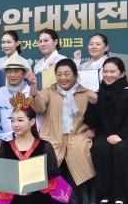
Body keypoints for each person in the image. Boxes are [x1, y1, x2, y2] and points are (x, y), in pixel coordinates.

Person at [0, 101, 75, 204]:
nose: (15, 124)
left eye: (20, 120)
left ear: (32, 121)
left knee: (57, 190)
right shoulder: (5, 146)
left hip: (37, 191)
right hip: (13, 192)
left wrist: (33, 186)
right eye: (12, 121)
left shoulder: (44, 145)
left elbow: (53, 174)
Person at [84, 57, 128, 204]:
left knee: (121, 150)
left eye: (112, 71)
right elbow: (92, 121)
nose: (108, 75)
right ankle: (105, 194)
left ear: (122, 73)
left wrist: (121, 136)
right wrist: (93, 104)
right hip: (106, 134)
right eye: (105, 72)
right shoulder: (98, 93)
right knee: (100, 148)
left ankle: (123, 195)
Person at [30, 59, 97, 188]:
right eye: (59, 74)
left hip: (77, 135)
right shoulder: (49, 91)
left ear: (75, 75)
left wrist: (94, 130)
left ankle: (78, 192)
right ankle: (51, 192)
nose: (62, 78)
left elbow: (97, 116)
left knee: (79, 150)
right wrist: (34, 90)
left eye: (67, 74)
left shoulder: (86, 93)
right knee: (47, 152)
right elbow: (38, 108)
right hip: (52, 135)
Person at [0, 54, 31, 141]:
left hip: (26, 139)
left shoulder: (31, 93)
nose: (12, 75)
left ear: (24, 74)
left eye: (16, 71)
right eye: (9, 72)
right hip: (2, 139)